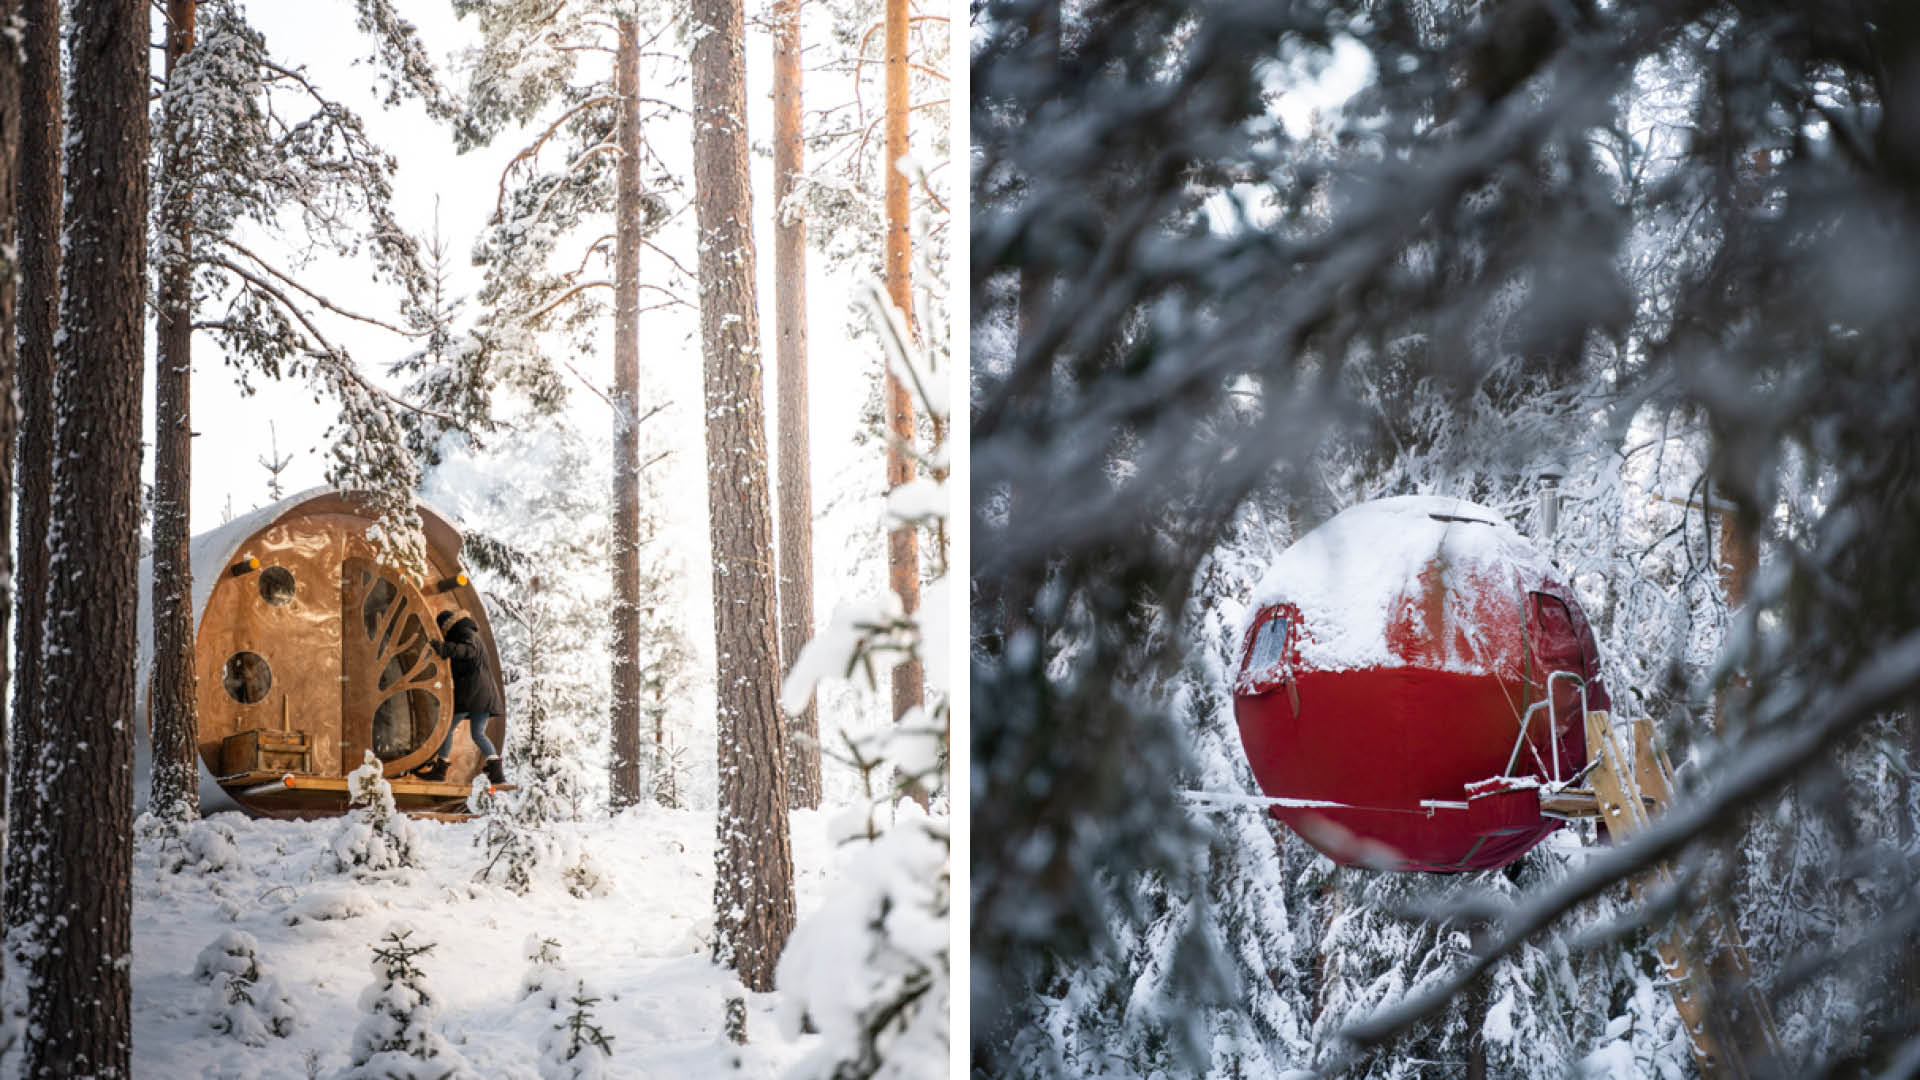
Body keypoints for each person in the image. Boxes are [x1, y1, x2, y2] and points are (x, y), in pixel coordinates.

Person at [410, 609, 507, 784]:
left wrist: (445, 648)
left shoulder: (464, 633)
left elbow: (467, 650)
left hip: (473, 693)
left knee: (446, 728)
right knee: (478, 733)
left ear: (446, 626)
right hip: (484, 695)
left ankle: (440, 769)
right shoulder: (469, 633)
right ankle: (496, 772)